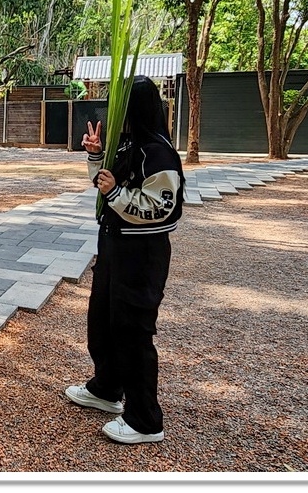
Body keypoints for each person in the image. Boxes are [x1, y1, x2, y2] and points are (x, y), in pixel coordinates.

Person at [65, 75, 185, 444]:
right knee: (103, 320)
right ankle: (106, 388)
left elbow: (163, 209)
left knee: (133, 331)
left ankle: (145, 419)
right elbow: (103, 181)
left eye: (119, 105)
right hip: (114, 246)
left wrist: (116, 192)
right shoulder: (128, 143)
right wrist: (96, 154)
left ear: (133, 108)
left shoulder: (158, 151)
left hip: (141, 253)